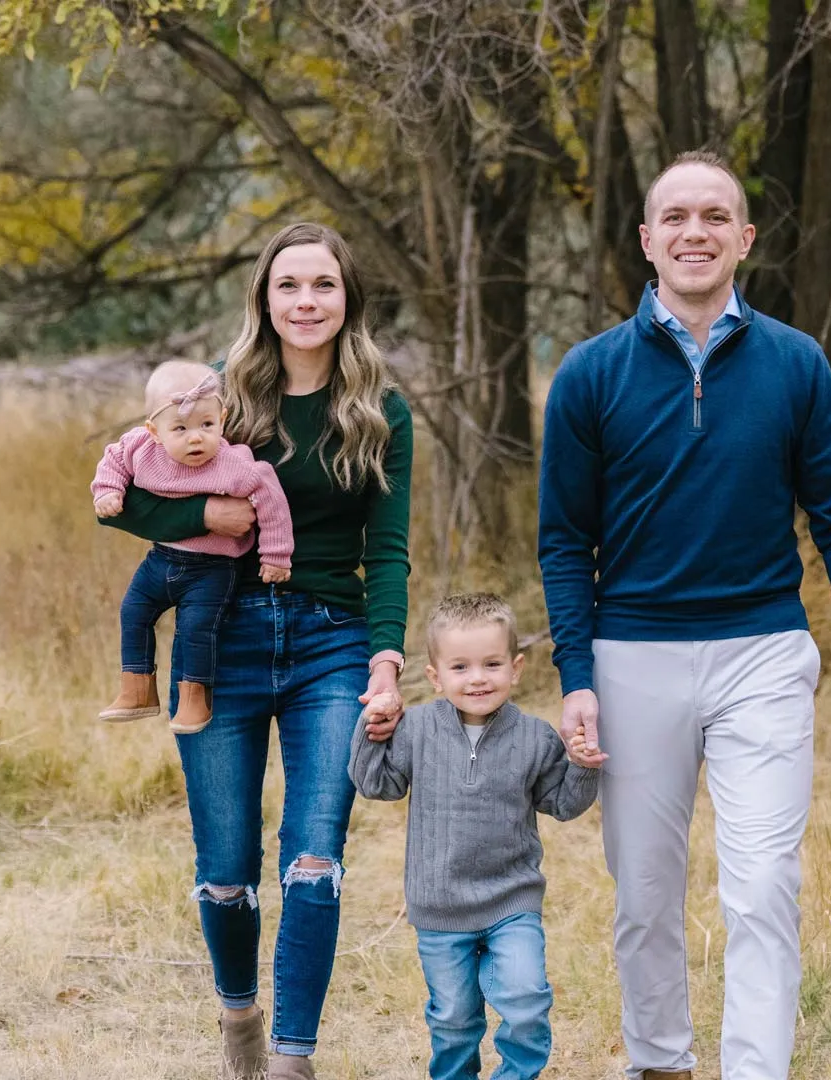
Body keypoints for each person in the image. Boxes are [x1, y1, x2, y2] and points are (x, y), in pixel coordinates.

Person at [537, 149, 831, 1080]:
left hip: (764, 653)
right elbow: (565, 542)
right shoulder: (589, 374)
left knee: (765, 884)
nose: (695, 232)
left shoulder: (796, 364)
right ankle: (660, 1061)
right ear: (648, 240)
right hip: (631, 655)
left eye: (715, 217)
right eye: (676, 218)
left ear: (745, 238)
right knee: (646, 893)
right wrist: (575, 677)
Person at [99, 222, 412, 1080]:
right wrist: (203, 518)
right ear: (264, 300)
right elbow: (121, 497)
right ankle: (240, 1014)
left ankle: (291, 1060)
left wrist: (386, 659)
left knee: (314, 860)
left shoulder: (380, 409)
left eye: (323, 285)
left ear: (348, 298)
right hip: (219, 639)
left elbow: (385, 549)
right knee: (228, 870)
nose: (305, 302)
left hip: (332, 646)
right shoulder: (218, 395)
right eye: (288, 286)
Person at [349, 592, 604, 1080]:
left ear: (516, 667)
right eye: (461, 667)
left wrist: (581, 766)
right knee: (454, 1021)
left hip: (512, 902)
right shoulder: (417, 729)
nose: (478, 678)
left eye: (492, 663)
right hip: (440, 908)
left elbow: (564, 804)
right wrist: (371, 726)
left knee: (527, 1000)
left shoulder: (535, 737)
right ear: (435, 676)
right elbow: (376, 784)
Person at [92, 361, 295, 733]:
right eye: (181, 429)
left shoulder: (233, 464)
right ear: (154, 430)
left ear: (223, 418)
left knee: (196, 628)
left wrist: (276, 555)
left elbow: (270, 497)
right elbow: (114, 459)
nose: (196, 438)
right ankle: (136, 687)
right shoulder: (141, 448)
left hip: (213, 567)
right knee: (134, 611)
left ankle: (194, 699)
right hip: (161, 559)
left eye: (207, 425)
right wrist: (108, 490)